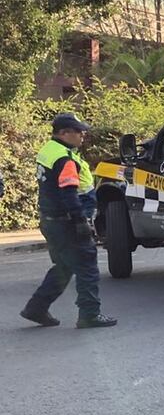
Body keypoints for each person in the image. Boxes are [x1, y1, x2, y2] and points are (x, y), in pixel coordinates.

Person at [20, 113, 116, 329]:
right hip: (67, 221)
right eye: (78, 131)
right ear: (64, 133)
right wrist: (80, 221)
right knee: (87, 266)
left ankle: (36, 308)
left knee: (64, 265)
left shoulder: (48, 151)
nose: (83, 134)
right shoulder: (65, 159)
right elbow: (69, 194)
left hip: (51, 220)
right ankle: (89, 314)